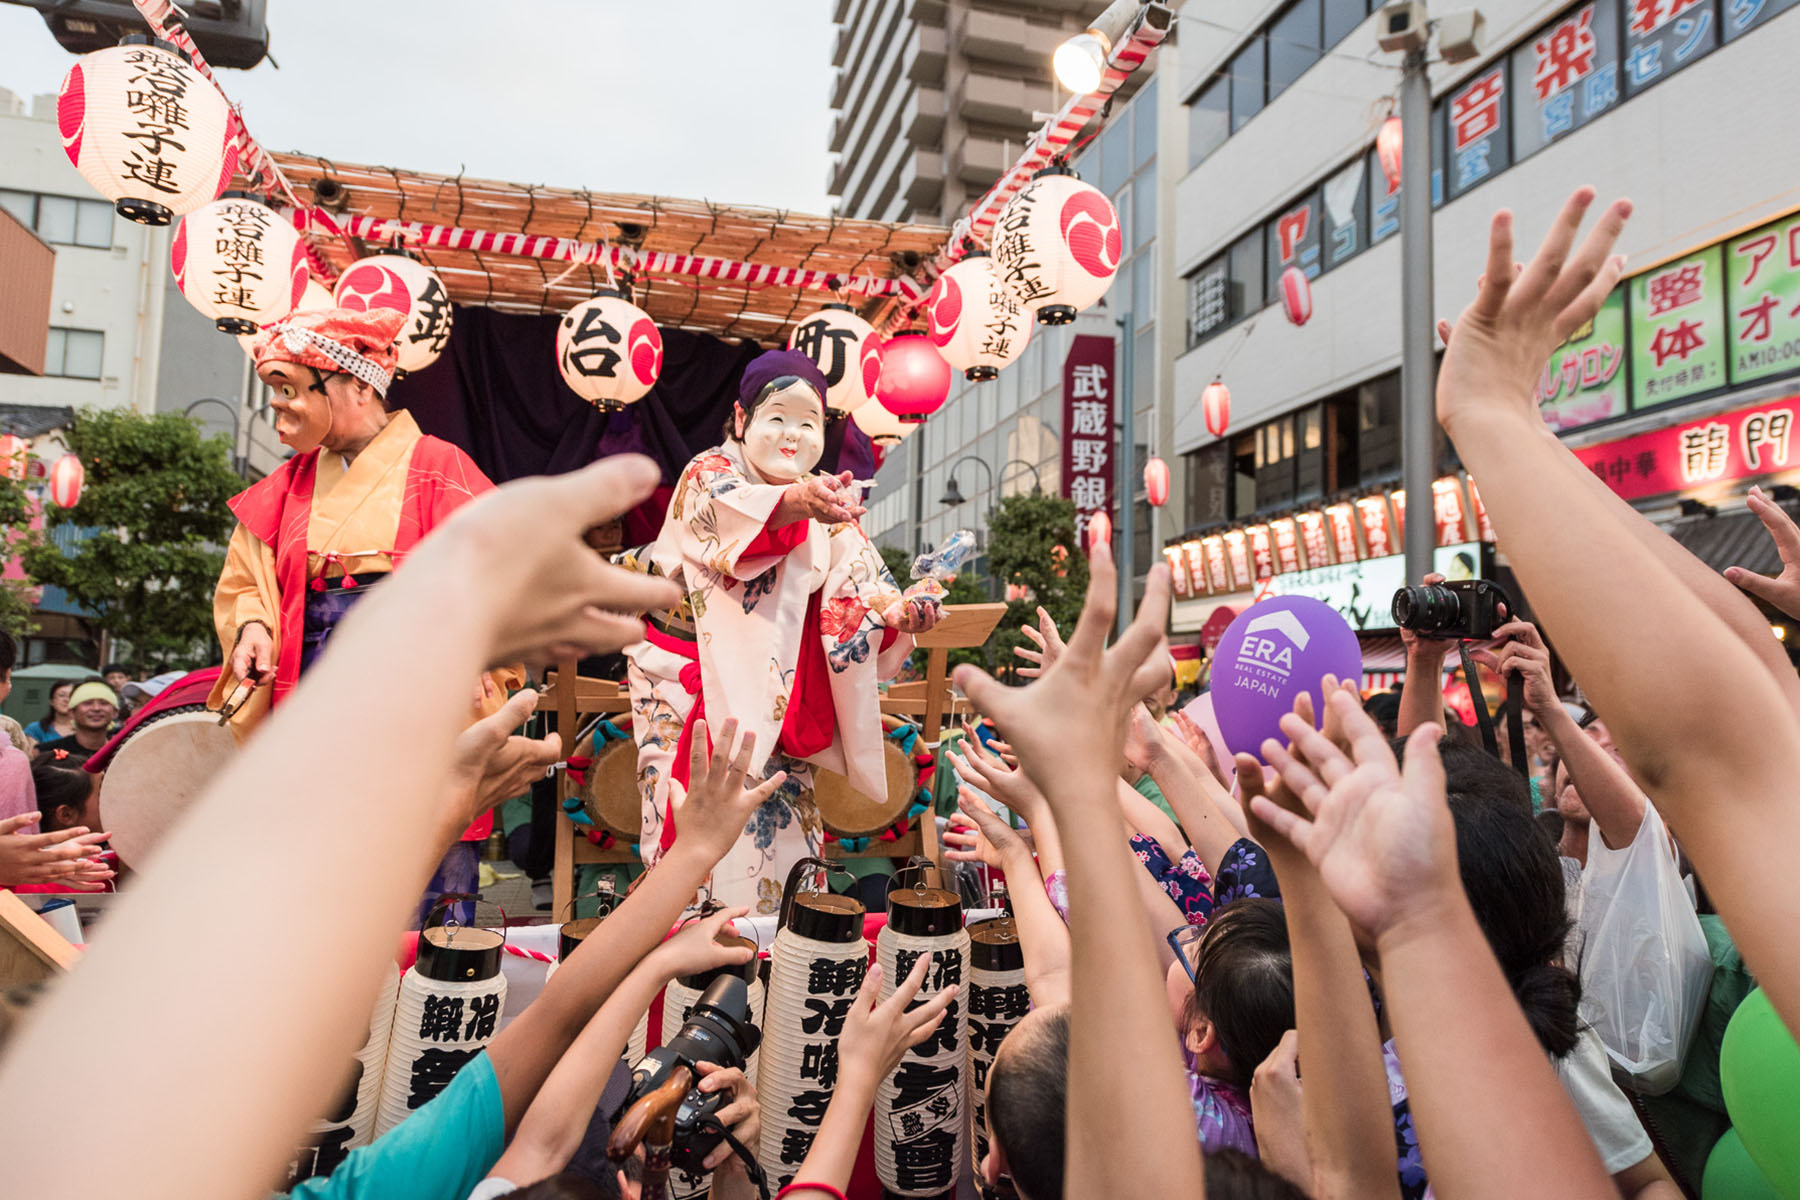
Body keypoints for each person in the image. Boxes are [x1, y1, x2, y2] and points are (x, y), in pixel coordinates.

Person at [207, 305, 524, 923]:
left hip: (422, 694)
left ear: (357, 383)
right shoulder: (291, 483)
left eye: (292, 389)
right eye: (276, 393)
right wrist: (253, 626)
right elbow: (247, 579)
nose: (281, 409)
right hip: (313, 685)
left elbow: (507, 573)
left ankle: (414, 1007)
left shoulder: (439, 467)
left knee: (423, 879)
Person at [626, 348, 941, 912]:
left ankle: (784, 979)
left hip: (777, 703)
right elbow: (733, 516)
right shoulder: (708, 473)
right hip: (693, 688)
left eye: (809, 422)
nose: (792, 435)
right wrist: (797, 502)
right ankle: (680, 986)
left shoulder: (821, 498)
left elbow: (859, 581)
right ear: (741, 420)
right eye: (777, 417)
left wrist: (895, 613)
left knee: (790, 860)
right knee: (693, 851)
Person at [35, 681, 119, 766]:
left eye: (104, 703)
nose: (96, 708)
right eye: (87, 703)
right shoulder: (48, 753)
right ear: (71, 712)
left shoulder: (121, 752)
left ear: (115, 712)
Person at [23, 679, 77, 747]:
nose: (66, 700)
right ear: (51, 701)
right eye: (61, 695)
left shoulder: (84, 729)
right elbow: (32, 755)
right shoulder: (35, 729)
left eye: (71, 696)